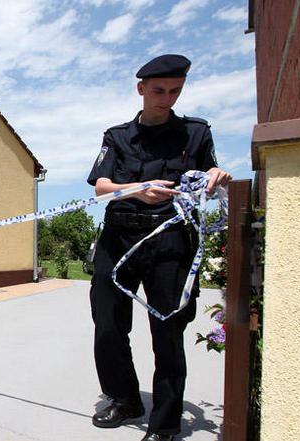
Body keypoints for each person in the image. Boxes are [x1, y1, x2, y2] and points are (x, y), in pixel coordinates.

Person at [86, 54, 232, 441]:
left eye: (174, 91)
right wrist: (137, 189)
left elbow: (209, 174)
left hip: (170, 243)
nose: (166, 98)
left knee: (167, 331)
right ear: (141, 89)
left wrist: (216, 176)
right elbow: (101, 187)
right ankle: (124, 399)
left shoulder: (196, 133)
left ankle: (165, 424)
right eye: (158, 91)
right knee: (108, 324)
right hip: (119, 238)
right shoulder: (117, 136)